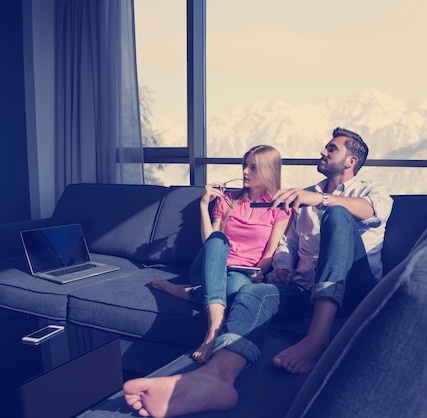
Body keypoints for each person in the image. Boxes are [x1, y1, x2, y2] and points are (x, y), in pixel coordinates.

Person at [123, 128, 393, 417]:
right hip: (304, 291)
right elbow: (288, 243)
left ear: (351, 160)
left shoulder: (366, 190)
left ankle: (318, 336)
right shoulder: (305, 195)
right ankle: (216, 377)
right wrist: (282, 269)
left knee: (338, 214)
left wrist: (322, 201)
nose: (322, 152)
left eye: (331, 148)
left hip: (354, 288)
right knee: (253, 293)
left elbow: (374, 210)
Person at [149, 144, 290, 363]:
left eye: (252, 167)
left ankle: (181, 291)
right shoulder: (228, 200)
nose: (244, 171)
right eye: (245, 166)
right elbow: (210, 242)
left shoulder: (279, 208)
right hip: (209, 266)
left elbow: (270, 252)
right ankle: (214, 326)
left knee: (236, 289)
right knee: (218, 240)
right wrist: (204, 205)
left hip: (242, 274)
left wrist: (260, 271)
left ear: (268, 171)